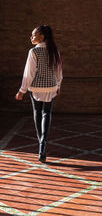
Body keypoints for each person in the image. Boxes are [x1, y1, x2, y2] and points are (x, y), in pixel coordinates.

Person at [15, 25, 63, 163]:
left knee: (37, 112)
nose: (31, 37)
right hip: (51, 87)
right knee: (47, 113)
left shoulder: (33, 52)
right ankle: (43, 144)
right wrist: (58, 85)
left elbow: (28, 74)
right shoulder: (55, 51)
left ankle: (40, 142)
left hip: (36, 88)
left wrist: (22, 90)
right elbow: (59, 71)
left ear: (42, 36)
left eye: (34, 34)